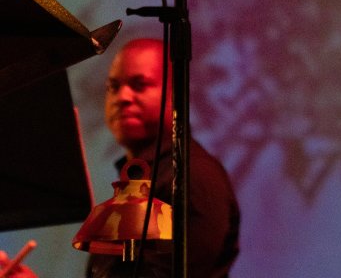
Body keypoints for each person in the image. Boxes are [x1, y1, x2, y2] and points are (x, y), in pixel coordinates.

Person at [90, 37, 240, 278]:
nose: (122, 97)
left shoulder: (191, 177)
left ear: (176, 95)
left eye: (139, 85)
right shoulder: (143, 178)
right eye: (113, 87)